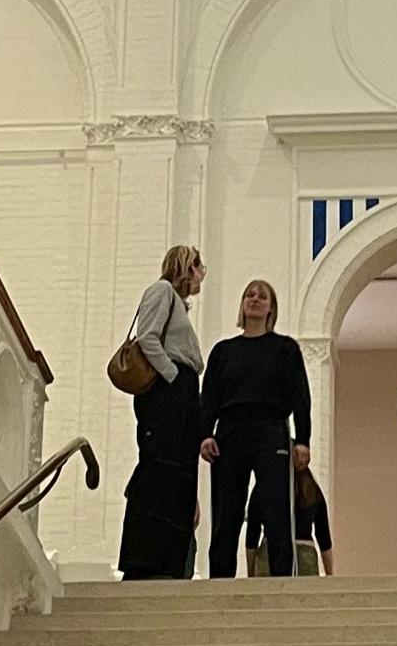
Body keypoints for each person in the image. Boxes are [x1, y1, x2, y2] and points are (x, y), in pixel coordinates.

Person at [198, 278, 312, 582]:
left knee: (276, 511)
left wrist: (303, 440)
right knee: (226, 514)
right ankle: (219, 583)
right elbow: (208, 398)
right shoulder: (223, 351)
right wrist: (205, 434)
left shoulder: (285, 349)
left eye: (263, 296)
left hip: (271, 431)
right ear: (243, 304)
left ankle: (280, 584)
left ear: (271, 307)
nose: (255, 299)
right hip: (230, 432)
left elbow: (301, 396)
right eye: (250, 294)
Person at [116, 245, 204, 581]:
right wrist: (170, 377)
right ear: (187, 267)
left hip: (182, 390)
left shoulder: (178, 305)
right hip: (168, 390)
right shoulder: (162, 291)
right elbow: (148, 338)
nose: (201, 275)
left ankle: (169, 561)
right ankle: (145, 559)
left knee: (179, 471)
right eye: (198, 267)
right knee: (159, 468)